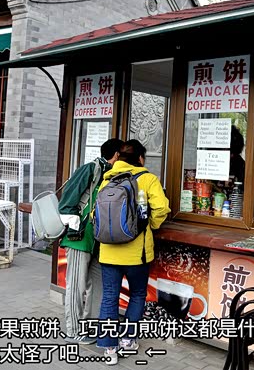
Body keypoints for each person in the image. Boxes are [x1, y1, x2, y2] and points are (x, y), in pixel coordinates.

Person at [97, 139, 170, 364]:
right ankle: (128, 340)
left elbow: (95, 214)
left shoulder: (107, 180)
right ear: (140, 158)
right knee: (137, 294)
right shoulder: (147, 179)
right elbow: (161, 208)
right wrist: (151, 226)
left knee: (109, 297)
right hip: (137, 254)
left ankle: (109, 349)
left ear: (119, 158)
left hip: (108, 252)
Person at [59, 138, 123, 344]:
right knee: (76, 286)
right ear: (116, 155)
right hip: (80, 237)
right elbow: (67, 201)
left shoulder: (114, 175)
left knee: (99, 286)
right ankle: (74, 330)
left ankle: (91, 327)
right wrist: (75, 224)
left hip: (100, 241)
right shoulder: (91, 169)